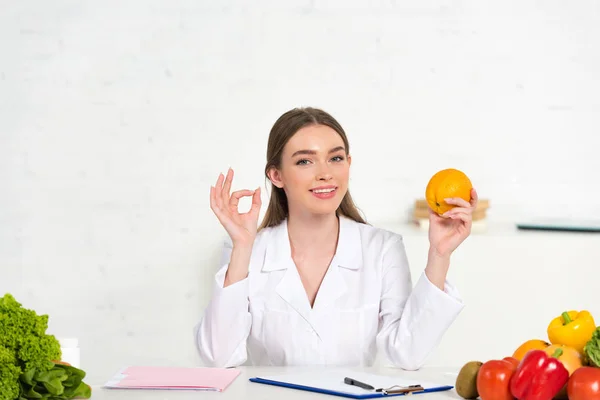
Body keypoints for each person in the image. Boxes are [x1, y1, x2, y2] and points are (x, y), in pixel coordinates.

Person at [194, 107, 478, 370]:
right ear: (276, 175)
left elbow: (407, 353)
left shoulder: (382, 249)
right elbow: (219, 356)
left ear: (348, 164)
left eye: (336, 158)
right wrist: (244, 247)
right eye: (305, 161)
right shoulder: (244, 250)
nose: (325, 173)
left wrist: (440, 255)